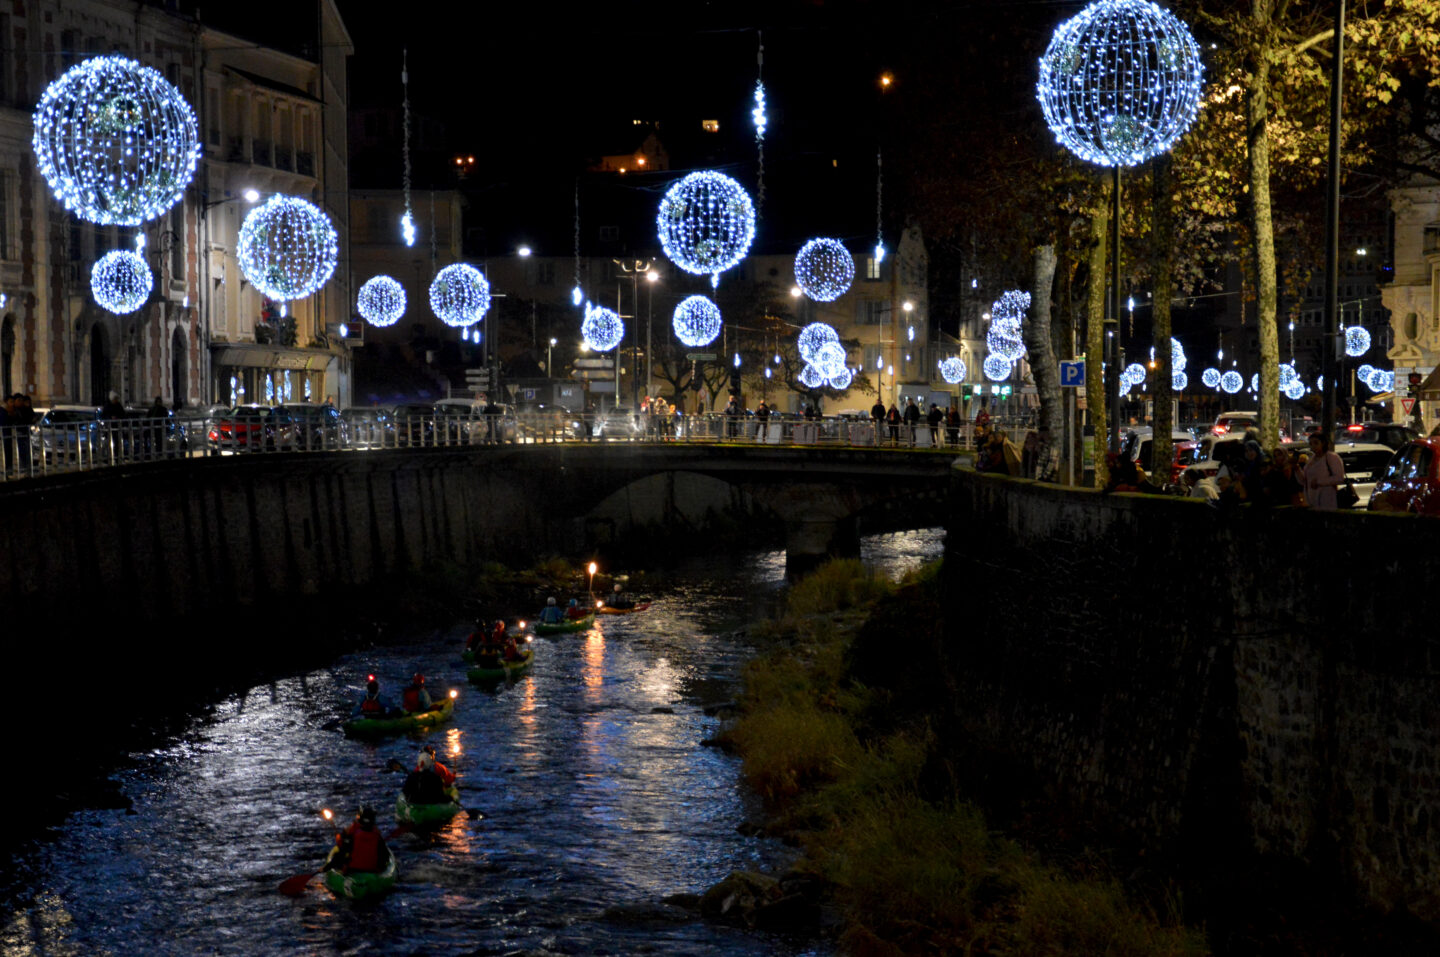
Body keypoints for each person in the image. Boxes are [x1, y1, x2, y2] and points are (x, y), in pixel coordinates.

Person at [327, 805, 392, 875]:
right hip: (372, 870)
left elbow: (343, 850)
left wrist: (327, 867)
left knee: (342, 857)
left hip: (353, 869)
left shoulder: (353, 834)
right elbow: (385, 855)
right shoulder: (377, 836)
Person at [1303, 431, 1346, 509]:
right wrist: (1296, 468)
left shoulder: (1331, 457)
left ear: (1323, 443)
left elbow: (1339, 478)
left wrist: (1319, 482)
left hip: (1326, 499)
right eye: (1311, 444)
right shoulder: (1311, 460)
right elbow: (1305, 480)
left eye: (1316, 443)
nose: (1313, 446)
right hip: (1312, 500)